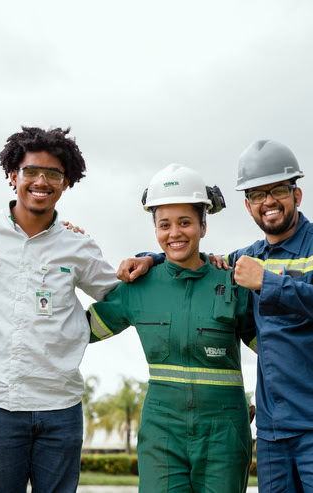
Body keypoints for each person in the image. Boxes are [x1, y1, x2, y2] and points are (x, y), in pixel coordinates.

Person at [119, 140, 313, 492]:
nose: (268, 201)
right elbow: (194, 261)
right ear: (248, 205)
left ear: (297, 194)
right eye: (256, 194)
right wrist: (151, 258)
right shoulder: (244, 260)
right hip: (272, 430)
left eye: (277, 190)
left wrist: (266, 282)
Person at [0, 126, 118, 493]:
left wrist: (85, 331)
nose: (41, 181)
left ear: (66, 183)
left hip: (61, 408)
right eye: (31, 171)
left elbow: (119, 298)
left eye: (53, 174)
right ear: (12, 176)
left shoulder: (78, 245)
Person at [86, 164, 256, 492]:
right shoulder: (138, 286)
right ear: (155, 229)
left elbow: (276, 348)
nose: (174, 233)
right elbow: (79, 331)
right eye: (164, 225)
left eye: (185, 223)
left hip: (224, 434)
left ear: (203, 226)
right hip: (162, 434)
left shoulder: (232, 282)